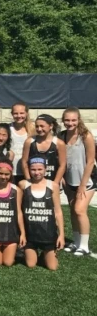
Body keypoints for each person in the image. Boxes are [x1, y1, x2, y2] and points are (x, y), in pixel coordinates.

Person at [60, 107, 96, 256]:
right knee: (72, 211)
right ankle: (75, 242)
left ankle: (84, 245)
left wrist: (82, 185)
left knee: (79, 210)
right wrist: (62, 178)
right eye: (67, 120)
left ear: (79, 119)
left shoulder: (85, 136)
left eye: (73, 120)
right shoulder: (61, 136)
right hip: (69, 180)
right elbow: (60, 160)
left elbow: (90, 161)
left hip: (87, 180)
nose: (70, 123)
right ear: (63, 120)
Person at [20, 158, 65, 270]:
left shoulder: (53, 185)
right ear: (29, 170)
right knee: (31, 264)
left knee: (52, 267)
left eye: (40, 169)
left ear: (45, 169)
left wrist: (61, 235)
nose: (37, 172)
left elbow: (58, 211)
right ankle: (32, 251)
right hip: (30, 233)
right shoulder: (23, 185)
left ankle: (46, 253)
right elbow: (19, 210)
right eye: (33, 169)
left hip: (48, 233)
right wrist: (21, 233)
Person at [22, 114, 67, 183]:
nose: (39, 129)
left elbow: (62, 165)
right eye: (37, 126)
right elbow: (24, 162)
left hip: (52, 181)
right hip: (34, 183)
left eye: (42, 126)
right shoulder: (29, 141)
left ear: (51, 126)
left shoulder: (59, 143)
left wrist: (55, 183)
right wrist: (29, 181)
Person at [10, 103, 35, 183]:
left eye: (21, 113)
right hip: (10, 171)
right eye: (16, 113)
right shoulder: (7, 128)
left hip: (27, 171)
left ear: (26, 113)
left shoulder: (33, 129)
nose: (18, 116)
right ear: (12, 114)